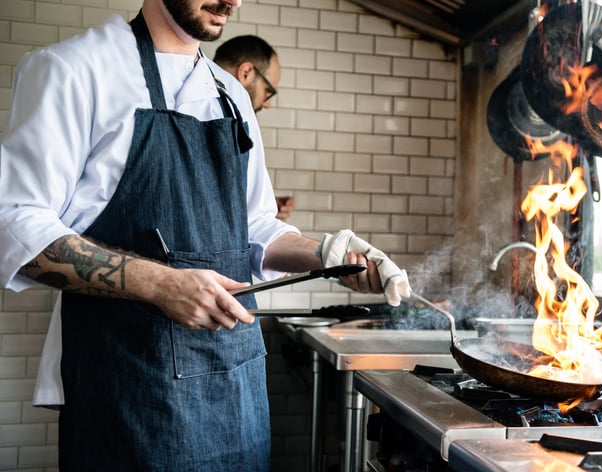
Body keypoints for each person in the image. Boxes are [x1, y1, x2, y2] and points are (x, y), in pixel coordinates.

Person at [0, 0, 411, 470]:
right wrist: (160, 284)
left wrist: (326, 252)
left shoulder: (231, 96)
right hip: (130, 390)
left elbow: (254, 225)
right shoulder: (74, 70)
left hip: (236, 388)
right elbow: (14, 224)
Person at [214, 34, 294, 221]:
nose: (267, 104)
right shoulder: (218, 121)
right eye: (268, 91)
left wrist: (260, 207)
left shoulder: (235, 121)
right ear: (246, 73)